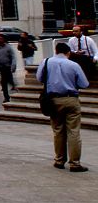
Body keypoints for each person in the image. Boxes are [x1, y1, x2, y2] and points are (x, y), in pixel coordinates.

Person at [37, 41, 90, 172]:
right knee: (74, 131)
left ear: (55, 50)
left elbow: (39, 78)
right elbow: (84, 84)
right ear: (68, 52)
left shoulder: (46, 62)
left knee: (58, 131)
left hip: (53, 100)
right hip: (71, 99)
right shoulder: (73, 65)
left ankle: (59, 160)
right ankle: (75, 163)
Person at [0, 35, 17, 103]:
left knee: (8, 80)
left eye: (0, 38)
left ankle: (14, 86)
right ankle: (6, 97)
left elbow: (13, 57)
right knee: (4, 82)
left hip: (7, 66)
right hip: (1, 67)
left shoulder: (8, 47)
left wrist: (13, 65)